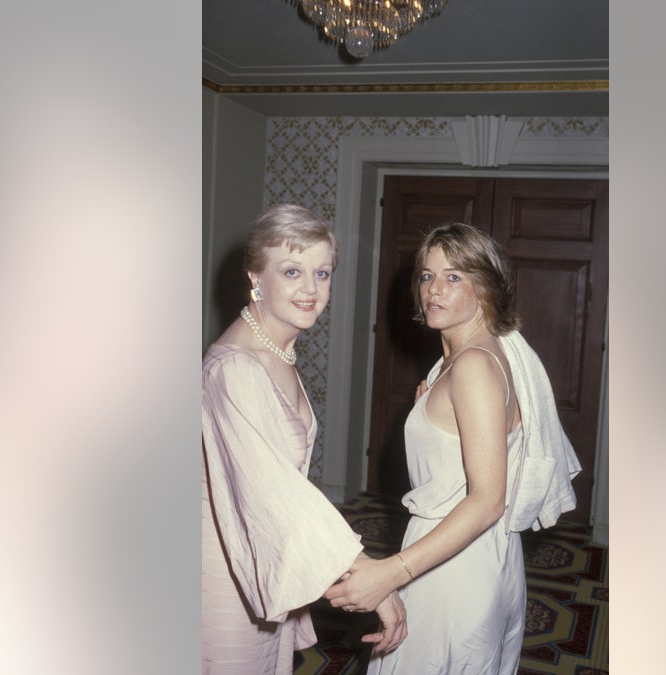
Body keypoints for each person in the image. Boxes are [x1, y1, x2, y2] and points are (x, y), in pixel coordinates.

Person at [322, 222, 582, 674]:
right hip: (482, 557)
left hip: (454, 565)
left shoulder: (474, 366)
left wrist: (390, 573)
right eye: (427, 275)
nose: (434, 290)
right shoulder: (476, 355)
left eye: (454, 276)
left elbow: (487, 501)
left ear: (487, 288)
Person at [202, 204, 407, 674]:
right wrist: (376, 581)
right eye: (292, 271)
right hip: (229, 576)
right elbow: (279, 496)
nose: (311, 289)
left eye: (322, 273)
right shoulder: (236, 367)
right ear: (256, 276)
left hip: (261, 553)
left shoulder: (275, 349)